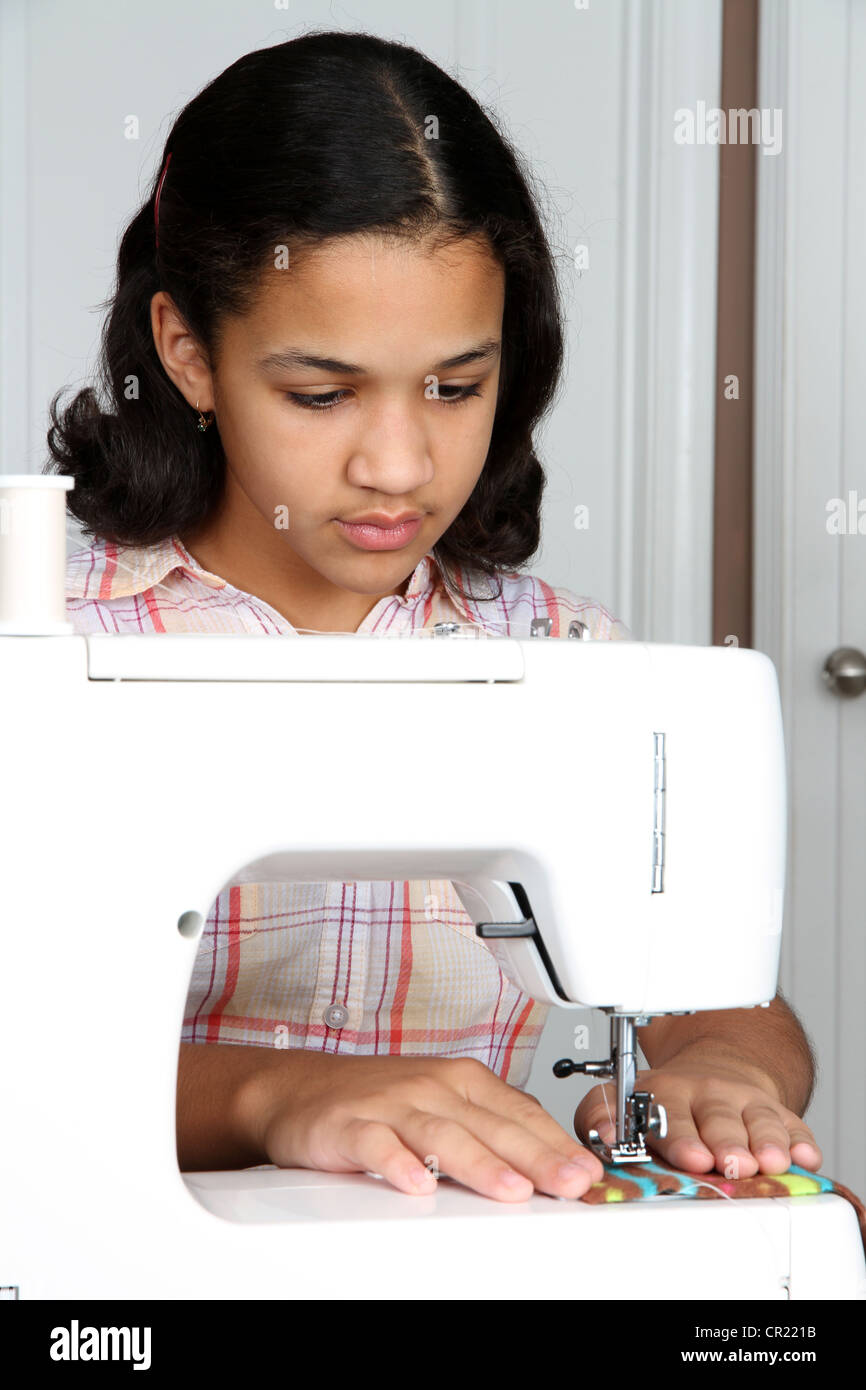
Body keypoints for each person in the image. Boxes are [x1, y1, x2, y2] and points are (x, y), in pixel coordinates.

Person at [48, 30, 821, 1203]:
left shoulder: (565, 660)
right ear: (189, 354)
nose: (400, 465)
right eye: (320, 393)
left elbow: (721, 998)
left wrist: (717, 1069)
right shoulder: (46, 649)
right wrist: (278, 1091)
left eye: (456, 386)